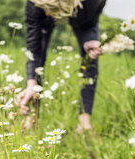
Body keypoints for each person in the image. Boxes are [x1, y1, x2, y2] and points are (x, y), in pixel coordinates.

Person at [16, 0, 107, 132]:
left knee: (91, 57)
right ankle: (32, 118)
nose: (48, 13)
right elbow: (34, 48)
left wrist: (89, 40)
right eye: (47, 9)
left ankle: (84, 122)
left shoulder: (93, 2)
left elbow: (90, 24)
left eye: (52, 10)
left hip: (82, 13)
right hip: (42, 9)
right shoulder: (36, 4)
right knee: (38, 55)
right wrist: (31, 85)